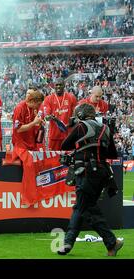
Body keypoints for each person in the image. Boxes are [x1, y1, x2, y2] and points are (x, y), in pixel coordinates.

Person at [57, 103, 124, 256]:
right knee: (81, 207)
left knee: (86, 209)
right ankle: (68, 243)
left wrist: (75, 133)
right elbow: (112, 154)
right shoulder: (105, 128)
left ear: (80, 115)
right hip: (102, 174)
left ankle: (112, 242)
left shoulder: (81, 126)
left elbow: (64, 144)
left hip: (86, 172)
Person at [42, 78, 77, 150]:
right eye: (56, 85)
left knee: (67, 157)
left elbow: (75, 114)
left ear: (64, 85)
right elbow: (46, 115)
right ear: (54, 86)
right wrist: (49, 117)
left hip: (68, 134)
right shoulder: (48, 99)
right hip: (54, 135)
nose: (58, 87)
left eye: (60, 85)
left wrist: (72, 121)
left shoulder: (71, 97)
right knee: (53, 157)